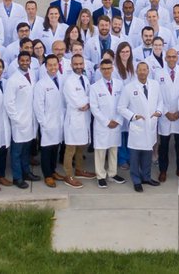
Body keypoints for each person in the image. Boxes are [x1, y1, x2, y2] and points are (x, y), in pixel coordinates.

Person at [119, 61, 163, 191]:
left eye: (145, 70)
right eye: (140, 70)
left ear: (148, 71)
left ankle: (146, 177)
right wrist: (133, 116)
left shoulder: (155, 85)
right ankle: (136, 180)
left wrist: (158, 112)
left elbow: (160, 101)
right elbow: (121, 107)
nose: (143, 72)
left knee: (148, 155)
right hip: (137, 127)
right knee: (135, 156)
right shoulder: (129, 87)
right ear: (136, 71)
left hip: (150, 125)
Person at [4, 50, 38, 189]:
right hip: (19, 121)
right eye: (22, 60)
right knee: (17, 151)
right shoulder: (13, 79)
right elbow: (8, 102)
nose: (25, 63)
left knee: (26, 150)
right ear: (18, 61)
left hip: (30, 120)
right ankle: (17, 177)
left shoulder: (32, 74)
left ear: (30, 61)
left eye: (27, 60)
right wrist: (16, 119)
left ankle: (26, 172)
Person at [89, 59, 124, 187]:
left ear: (112, 68)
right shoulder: (94, 87)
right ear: (100, 69)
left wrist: (118, 120)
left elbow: (123, 104)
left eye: (109, 68)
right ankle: (100, 175)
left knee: (114, 149)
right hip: (102, 124)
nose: (106, 71)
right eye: (104, 68)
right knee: (100, 151)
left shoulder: (120, 85)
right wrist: (106, 122)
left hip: (116, 122)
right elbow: (94, 108)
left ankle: (113, 174)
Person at [156, 48, 179, 182]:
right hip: (165, 115)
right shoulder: (158, 73)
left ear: (177, 58)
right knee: (163, 146)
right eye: (168, 57)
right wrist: (165, 112)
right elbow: (156, 95)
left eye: (173, 57)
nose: (171, 59)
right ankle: (163, 170)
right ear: (165, 58)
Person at [34, 55, 66, 188]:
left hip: (59, 121)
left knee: (55, 148)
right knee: (46, 150)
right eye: (50, 65)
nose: (53, 67)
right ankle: (47, 175)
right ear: (46, 67)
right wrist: (44, 123)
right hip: (48, 122)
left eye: (55, 64)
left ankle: (53, 171)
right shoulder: (41, 84)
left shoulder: (62, 79)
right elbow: (38, 106)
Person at [61, 53, 93, 187]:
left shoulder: (84, 78)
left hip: (84, 119)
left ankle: (79, 169)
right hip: (73, 120)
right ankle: (68, 175)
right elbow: (78, 102)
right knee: (71, 149)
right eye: (76, 64)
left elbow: (90, 96)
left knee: (81, 146)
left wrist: (89, 103)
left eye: (81, 64)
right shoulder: (69, 82)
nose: (79, 66)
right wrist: (87, 103)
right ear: (71, 65)